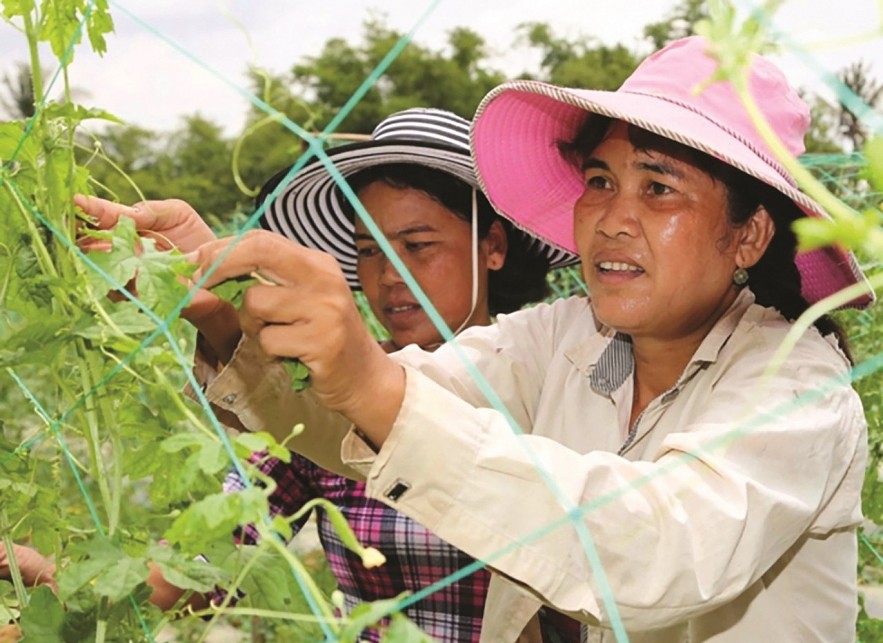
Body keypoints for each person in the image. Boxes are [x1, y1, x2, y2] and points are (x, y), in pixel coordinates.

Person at [179, 35, 874, 642]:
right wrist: (225, 310)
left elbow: (666, 548)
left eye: (658, 188)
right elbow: (376, 412)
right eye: (600, 180)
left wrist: (373, 383)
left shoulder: (798, 381)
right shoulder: (567, 338)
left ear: (747, 234)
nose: (611, 219)